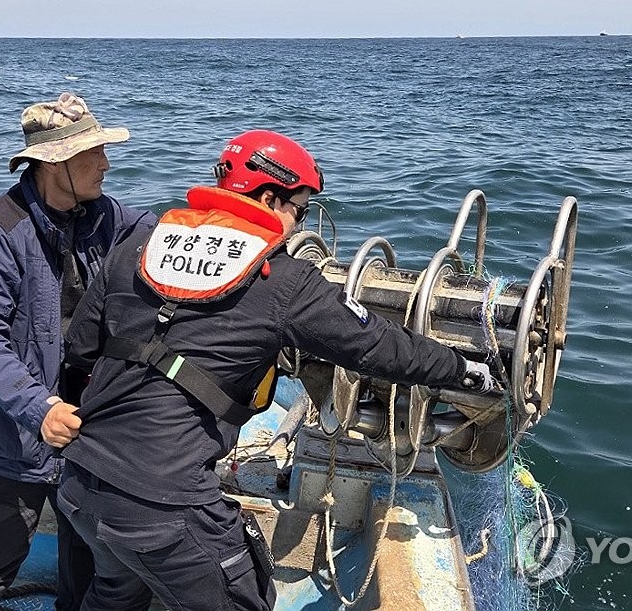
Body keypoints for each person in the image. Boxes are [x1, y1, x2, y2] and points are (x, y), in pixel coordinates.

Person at [51, 129, 493, 610]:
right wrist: (462, 368)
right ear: (268, 198)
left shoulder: (139, 242)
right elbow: (376, 346)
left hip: (80, 482)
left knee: (115, 593)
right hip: (164, 508)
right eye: (299, 210)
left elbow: (80, 348)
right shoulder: (284, 280)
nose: (299, 224)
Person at [0, 93, 155, 610]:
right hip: (15, 436)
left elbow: (164, 234)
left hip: (88, 427)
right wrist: (38, 408)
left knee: (85, 557)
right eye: (94, 153)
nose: (106, 164)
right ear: (54, 163)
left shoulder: (109, 217)